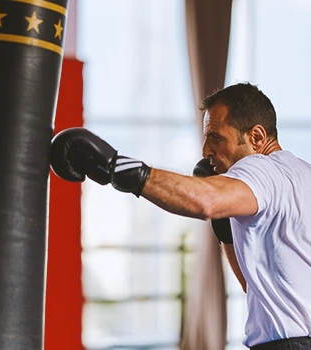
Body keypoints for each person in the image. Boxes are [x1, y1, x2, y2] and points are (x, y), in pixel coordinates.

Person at [50, 82, 311, 350]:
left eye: (216, 137)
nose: (205, 151)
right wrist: (224, 224)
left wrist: (114, 166)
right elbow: (256, 287)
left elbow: (204, 200)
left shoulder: (262, 169)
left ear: (256, 137)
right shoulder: (302, 175)